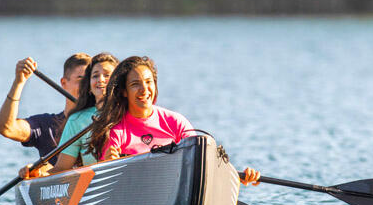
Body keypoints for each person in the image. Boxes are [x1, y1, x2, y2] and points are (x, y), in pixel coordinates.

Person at [86, 56, 260, 185]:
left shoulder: (176, 122)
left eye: (149, 82)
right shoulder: (117, 131)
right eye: (135, 84)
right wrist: (106, 163)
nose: (144, 89)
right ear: (124, 91)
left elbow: (202, 162)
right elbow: (105, 180)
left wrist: (235, 175)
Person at [22, 52, 118, 178]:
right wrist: (37, 173)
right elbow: (61, 168)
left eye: (107, 75)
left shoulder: (132, 111)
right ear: (89, 85)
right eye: (95, 76)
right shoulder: (77, 120)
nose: (100, 79)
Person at [0, 53, 90, 159]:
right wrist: (19, 82)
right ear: (64, 83)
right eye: (81, 80)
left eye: (90, 81)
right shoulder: (46, 126)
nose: (86, 86)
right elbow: (6, 128)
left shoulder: (103, 123)